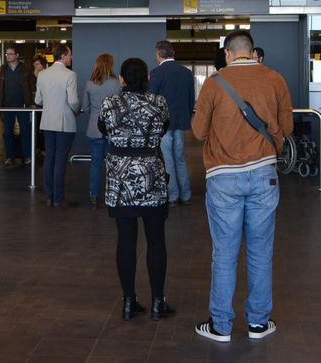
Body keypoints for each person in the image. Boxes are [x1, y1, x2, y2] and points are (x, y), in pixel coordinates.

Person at [191, 29, 292, 343]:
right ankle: (259, 324)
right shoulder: (275, 78)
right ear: (252, 52)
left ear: (228, 54)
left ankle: (221, 326)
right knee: (261, 252)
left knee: (224, 253)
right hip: (264, 173)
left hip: (223, 176)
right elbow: (286, 127)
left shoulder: (213, 82)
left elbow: (197, 132)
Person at [99, 58, 175, 321]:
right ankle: (158, 302)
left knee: (126, 240)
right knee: (156, 240)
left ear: (121, 79)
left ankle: (129, 302)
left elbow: (103, 129)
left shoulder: (110, 103)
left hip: (120, 180)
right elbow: (163, 130)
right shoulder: (159, 102)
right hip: (151, 176)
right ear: (147, 79)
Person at [150, 40, 196, 206]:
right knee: (180, 159)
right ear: (173, 53)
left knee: (167, 160)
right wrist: (188, 115)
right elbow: (191, 99)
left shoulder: (156, 73)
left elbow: (152, 100)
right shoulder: (186, 72)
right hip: (181, 121)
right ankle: (186, 194)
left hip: (163, 123)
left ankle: (173, 196)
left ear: (158, 54)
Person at [36, 44, 80, 207]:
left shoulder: (42, 74)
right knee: (60, 161)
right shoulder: (70, 74)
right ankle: (58, 198)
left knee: (49, 159)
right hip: (64, 123)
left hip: (47, 122)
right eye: (70, 54)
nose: (72, 57)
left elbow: (38, 100)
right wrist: (76, 111)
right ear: (63, 56)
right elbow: (73, 101)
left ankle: (49, 196)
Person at [81, 54, 120, 208]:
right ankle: (113, 195)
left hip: (94, 128)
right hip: (113, 128)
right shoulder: (117, 84)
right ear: (111, 65)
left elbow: (86, 107)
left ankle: (94, 197)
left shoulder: (90, 84)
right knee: (114, 164)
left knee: (96, 163)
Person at [0, 46, 33, 167]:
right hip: (7, 105)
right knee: (8, 132)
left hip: (22, 104)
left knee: (26, 131)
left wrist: (30, 102)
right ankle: (9, 157)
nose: (8, 56)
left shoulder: (25, 69)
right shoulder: (3, 69)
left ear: (17, 55)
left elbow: (30, 86)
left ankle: (27, 156)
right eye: (7, 54)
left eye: (11, 54)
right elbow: (0, 88)